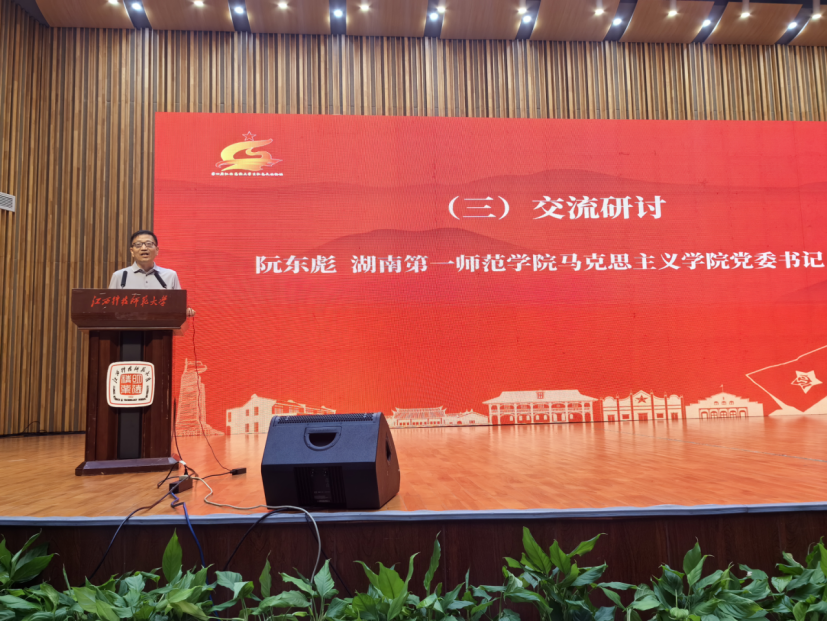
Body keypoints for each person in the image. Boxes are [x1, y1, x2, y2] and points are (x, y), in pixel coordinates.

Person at [109, 230, 195, 316]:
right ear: (132, 251)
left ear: (157, 250)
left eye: (149, 244)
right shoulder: (119, 276)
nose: (144, 248)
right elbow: (110, 308)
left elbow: (178, 306)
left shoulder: (170, 275)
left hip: (162, 324)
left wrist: (185, 311)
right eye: (138, 245)